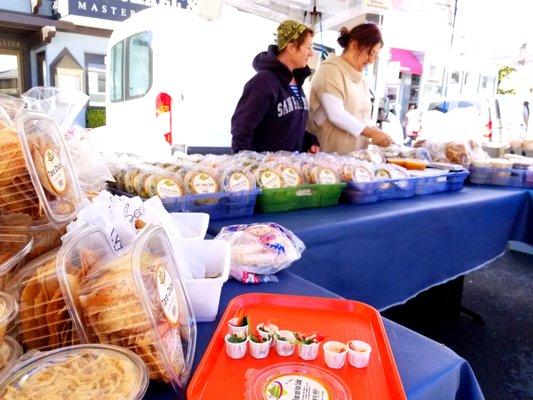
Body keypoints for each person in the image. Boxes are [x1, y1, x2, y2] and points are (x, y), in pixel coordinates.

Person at [231, 20, 319, 153]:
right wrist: (248, 166)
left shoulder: (296, 81)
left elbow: (281, 126)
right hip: (266, 171)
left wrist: (308, 140)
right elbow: (242, 130)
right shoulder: (263, 82)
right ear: (291, 47)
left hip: (288, 170)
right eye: (308, 47)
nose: (311, 53)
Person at [308, 23, 393, 154]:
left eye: (375, 55)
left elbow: (362, 118)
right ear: (354, 44)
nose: (371, 60)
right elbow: (336, 114)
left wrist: (376, 133)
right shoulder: (330, 70)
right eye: (369, 52)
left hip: (355, 159)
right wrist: (371, 132)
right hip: (330, 158)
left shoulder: (361, 78)